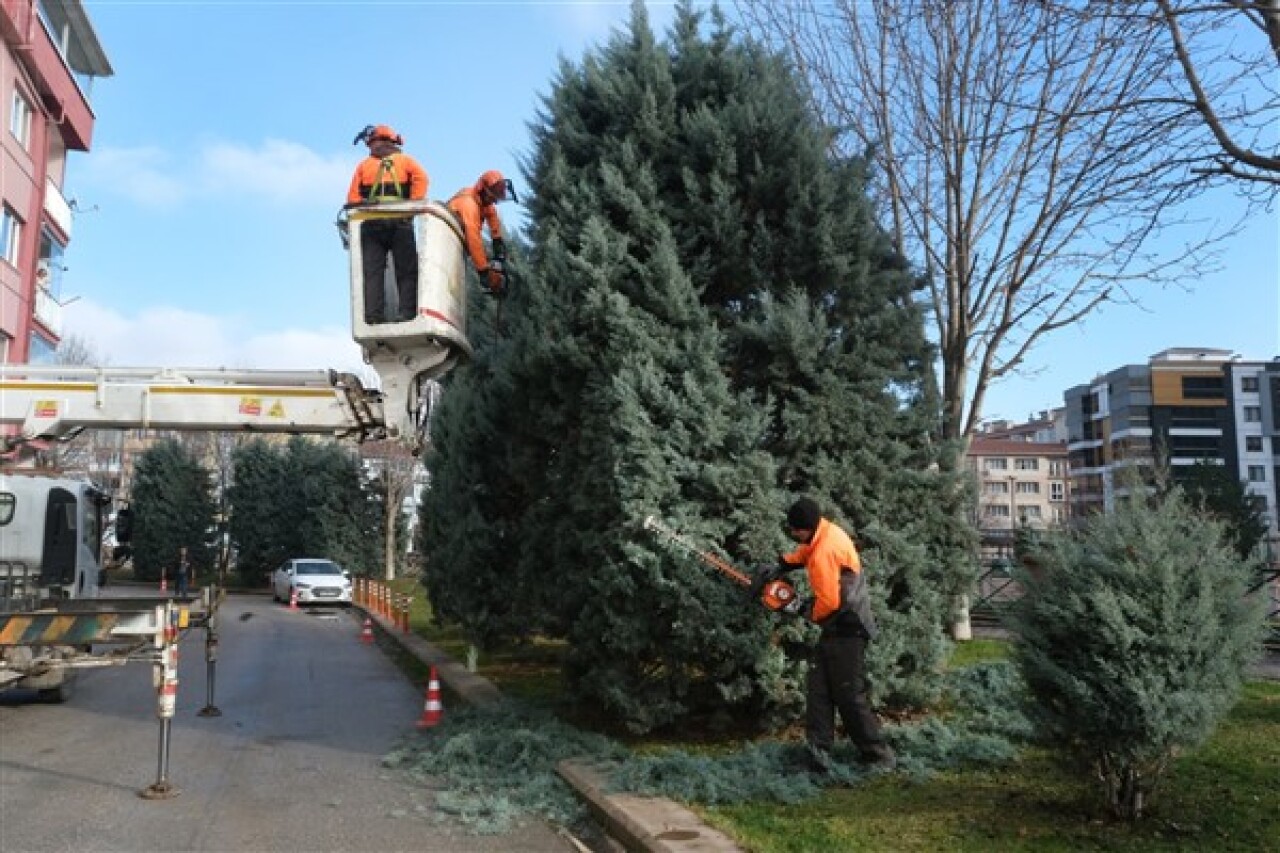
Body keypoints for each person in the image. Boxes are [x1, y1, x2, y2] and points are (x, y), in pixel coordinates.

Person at [756, 496, 896, 773]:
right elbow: (804, 553)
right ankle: (817, 756)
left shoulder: (824, 552)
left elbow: (829, 603)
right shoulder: (825, 532)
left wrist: (801, 609)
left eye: (795, 531)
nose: (794, 534)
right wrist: (781, 564)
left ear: (804, 528)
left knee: (848, 694)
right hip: (835, 626)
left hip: (849, 626)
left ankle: (878, 755)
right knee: (818, 689)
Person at [346, 124, 429, 323]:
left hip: (371, 224)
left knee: (372, 273)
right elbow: (422, 179)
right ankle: (407, 314)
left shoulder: (363, 166)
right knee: (406, 270)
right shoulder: (406, 161)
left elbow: (352, 198)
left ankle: (373, 316)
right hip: (401, 221)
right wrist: (413, 206)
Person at [447, 169, 518, 296]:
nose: (493, 201)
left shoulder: (483, 202)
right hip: (447, 243)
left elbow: (492, 216)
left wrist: (497, 241)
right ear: (483, 190)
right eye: (492, 197)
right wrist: (484, 272)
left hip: (458, 244)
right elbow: (473, 239)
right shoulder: (469, 204)